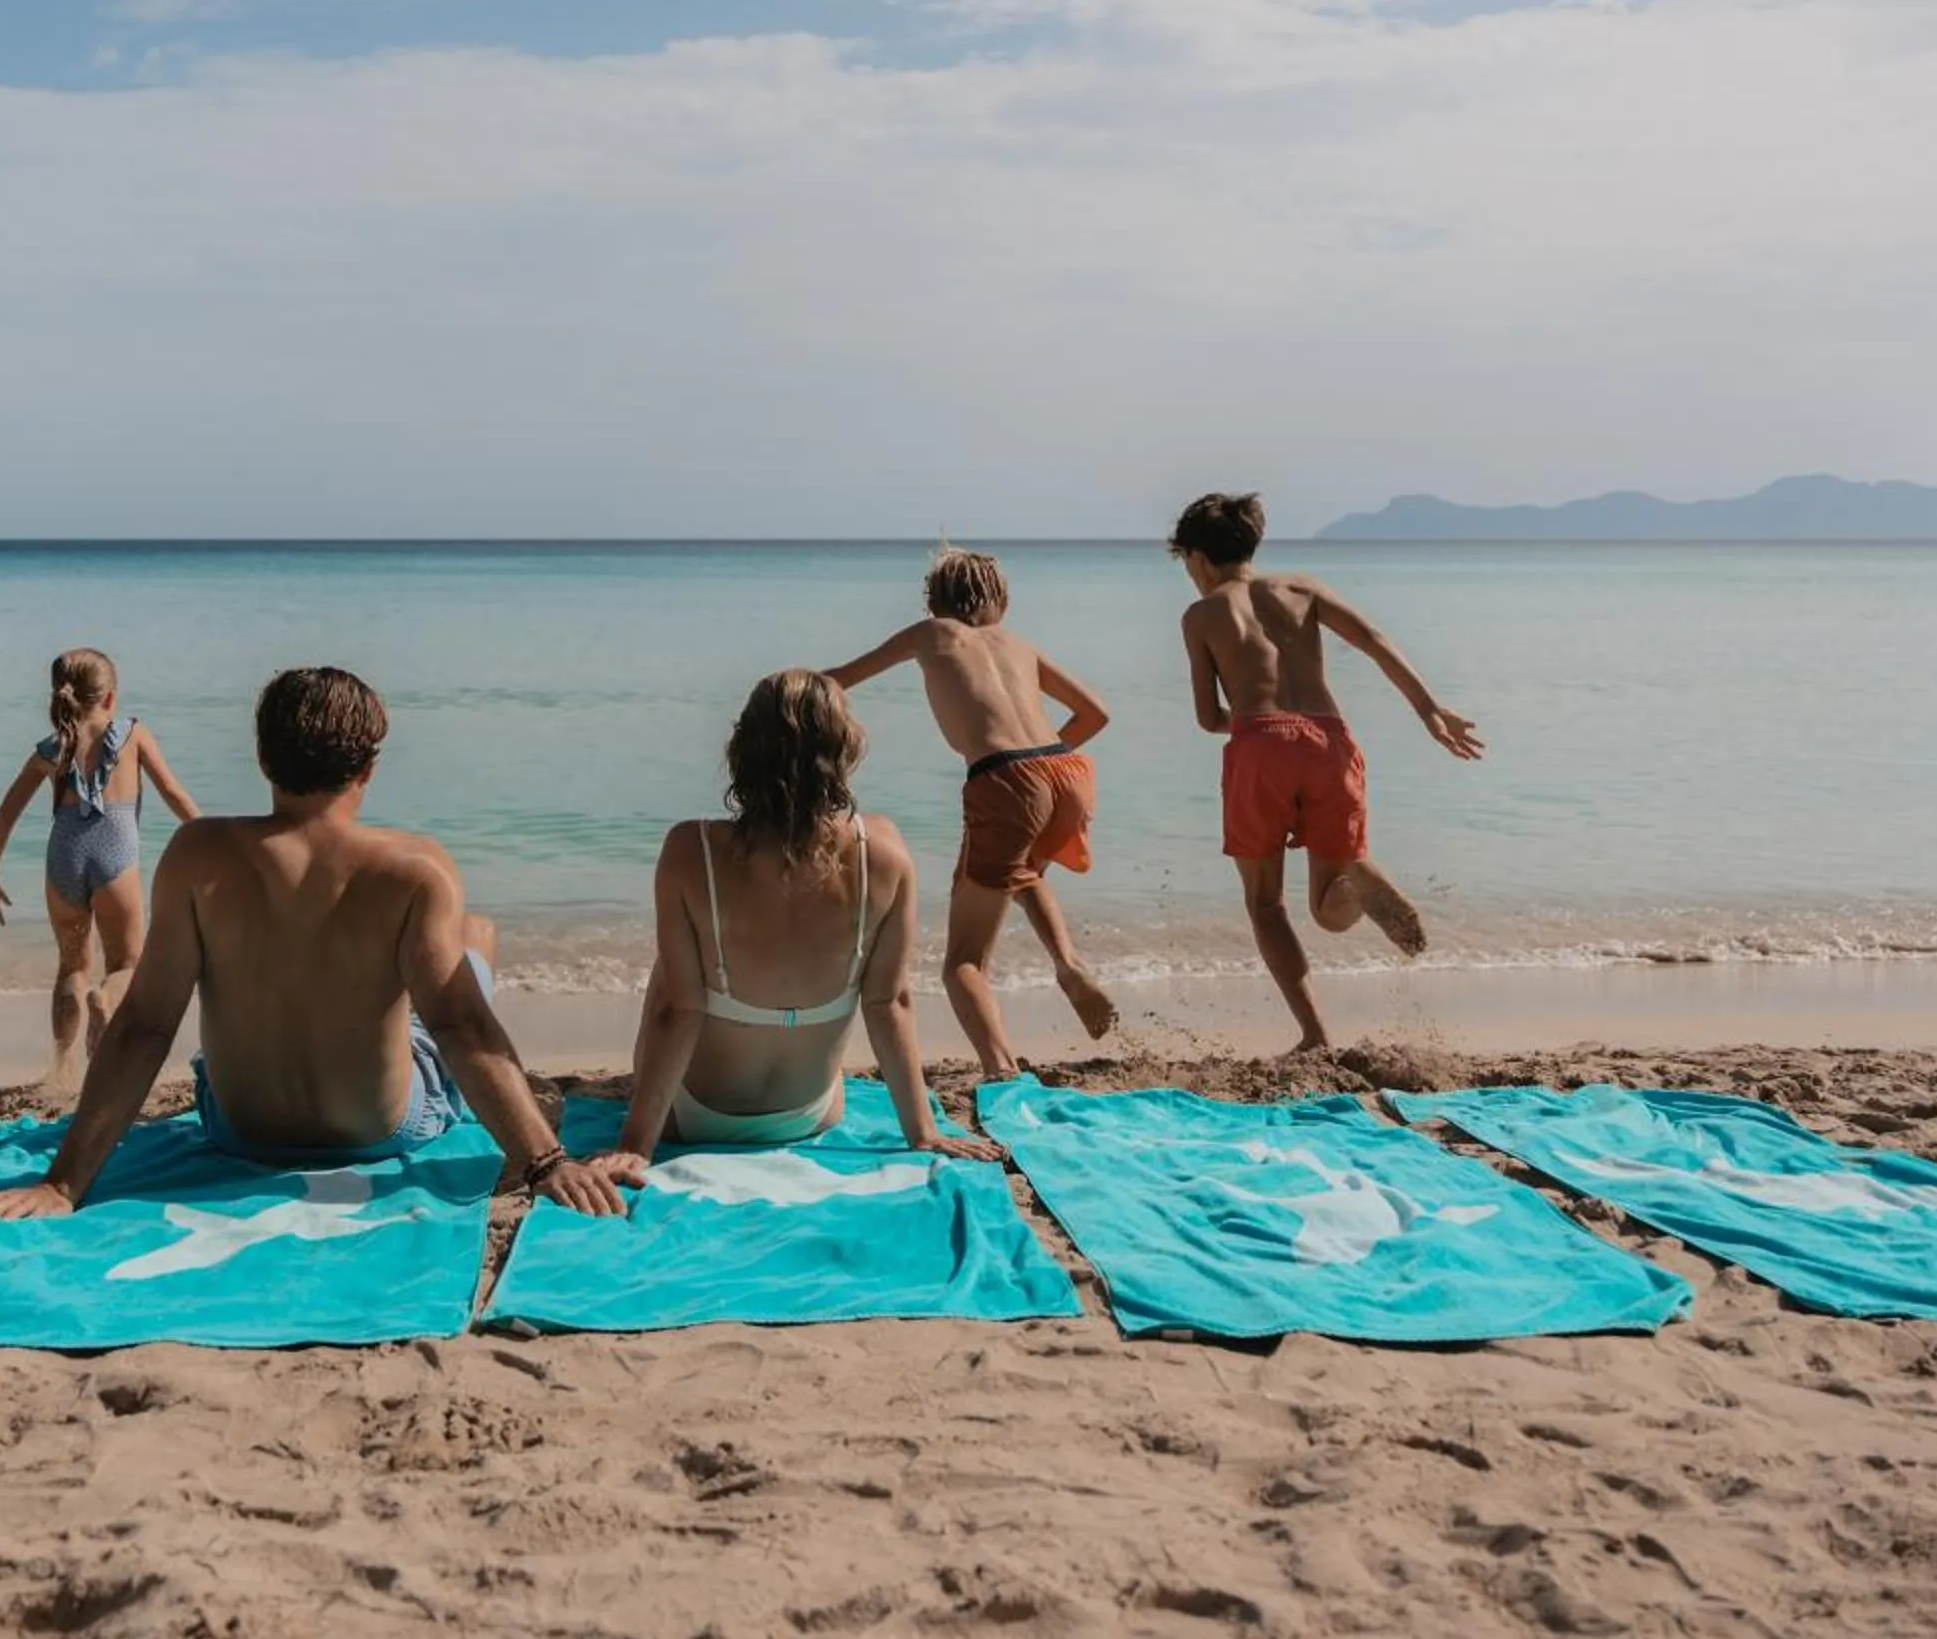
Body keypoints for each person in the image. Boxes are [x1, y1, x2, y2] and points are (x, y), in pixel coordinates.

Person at [0, 666, 626, 1221]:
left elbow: (144, 1026)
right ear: (369, 767)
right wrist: (546, 1162)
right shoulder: (415, 867)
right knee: (472, 936)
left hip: (239, 1130)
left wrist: (63, 1184)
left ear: (262, 758)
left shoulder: (197, 855)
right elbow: (462, 1026)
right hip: (382, 1130)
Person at [585, 671, 1002, 1184]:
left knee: (675, 968)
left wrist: (634, 1145)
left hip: (690, 1116)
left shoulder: (691, 851)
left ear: (742, 749)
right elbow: (888, 1003)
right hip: (809, 1113)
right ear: (845, 750)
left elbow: (678, 1011)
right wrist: (922, 1132)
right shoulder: (883, 853)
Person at [1170, 492, 1484, 1054]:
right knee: (1330, 912)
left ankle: (1315, 1034)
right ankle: (1355, 880)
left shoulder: (1201, 615)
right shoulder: (1302, 588)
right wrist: (1429, 709)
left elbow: (1207, 717)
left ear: (1198, 558)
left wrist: (1256, 724)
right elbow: (1372, 641)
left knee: (1266, 903)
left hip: (1259, 745)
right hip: (1329, 740)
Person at [825, 548, 1116, 1083]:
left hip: (1005, 778)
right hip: (1067, 772)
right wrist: (1041, 763)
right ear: (999, 600)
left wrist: (778, 695)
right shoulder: (1018, 643)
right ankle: (1069, 963)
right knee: (1019, 873)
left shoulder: (930, 633)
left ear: (934, 601)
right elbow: (1095, 714)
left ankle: (1000, 1069)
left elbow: (838, 680)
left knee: (962, 962)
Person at [0, 648, 198, 1087]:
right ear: (110, 697)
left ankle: (61, 1066)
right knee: (127, 962)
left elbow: (4, 818)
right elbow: (173, 793)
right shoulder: (133, 735)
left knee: (72, 966)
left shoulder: (49, 750)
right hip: (116, 859)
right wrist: (210, 836)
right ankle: (105, 1000)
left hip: (64, 858)